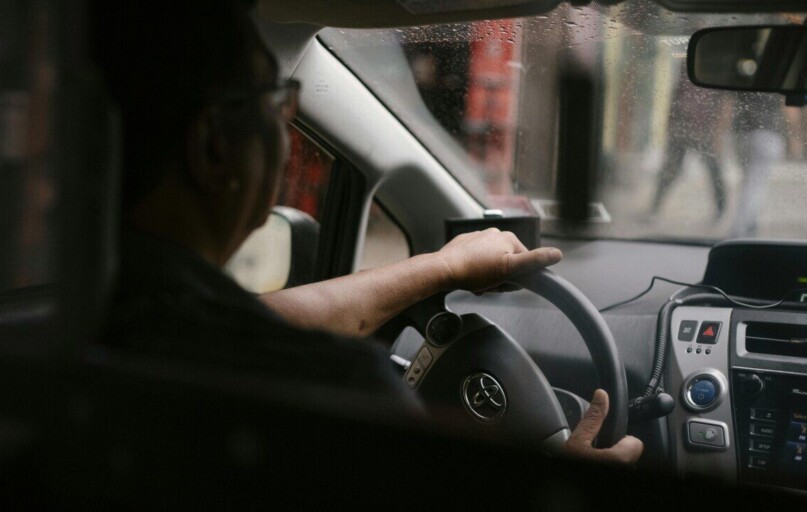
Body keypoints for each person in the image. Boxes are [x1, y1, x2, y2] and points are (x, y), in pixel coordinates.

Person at [93, 0, 642, 464]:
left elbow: (263, 319)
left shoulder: (91, 311)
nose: (286, 132)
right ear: (215, 146)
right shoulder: (340, 394)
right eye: (278, 102)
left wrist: (442, 267)